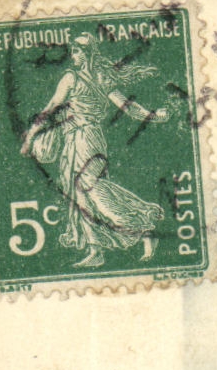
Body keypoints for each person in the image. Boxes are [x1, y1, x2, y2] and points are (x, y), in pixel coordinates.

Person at [18, 34, 168, 268]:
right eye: (73, 51)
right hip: (80, 140)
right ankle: (95, 250)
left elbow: (50, 108)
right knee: (80, 194)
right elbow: (129, 108)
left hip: (84, 139)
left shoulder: (74, 78)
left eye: (77, 52)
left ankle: (142, 223)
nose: (73, 56)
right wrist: (152, 115)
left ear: (87, 53)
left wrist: (29, 137)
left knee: (89, 187)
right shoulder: (98, 78)